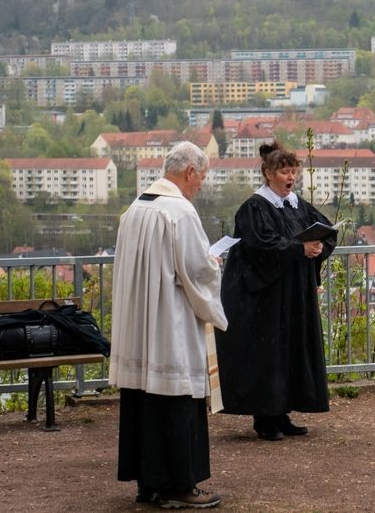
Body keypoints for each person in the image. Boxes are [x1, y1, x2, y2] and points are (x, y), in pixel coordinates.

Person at [109, 141, 228, 509]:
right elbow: (196, 269)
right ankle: (180, 484)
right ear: (190, 172)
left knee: (144, 402)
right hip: (169, 325)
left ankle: (149, 484)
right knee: (176, 399)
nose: (201, 186)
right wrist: (215, 265)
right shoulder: (180, 211)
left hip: (138, 326)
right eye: (202, 177)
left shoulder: (135, 208)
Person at [215, 141, 336, 441]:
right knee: (267, 354)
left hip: (294, 296)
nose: (290, 176)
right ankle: (264, 417)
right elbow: (261, 246)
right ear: (268, 173)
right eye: (284, 171)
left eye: (293, 170)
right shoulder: (254, 207)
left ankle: (282, 412)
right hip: (265, 298)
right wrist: (300, 248)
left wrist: (317, 247)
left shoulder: (297, 204)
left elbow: (326, 228)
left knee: (289, 351)